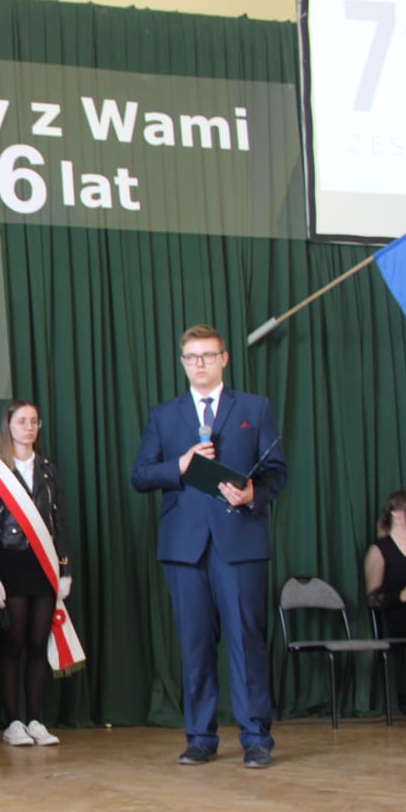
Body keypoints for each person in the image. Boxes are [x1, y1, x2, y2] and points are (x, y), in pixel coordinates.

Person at [131, 324, 287, 769]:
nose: (199, 364)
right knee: (195, 644)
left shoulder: (255, 408)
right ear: (183, 363)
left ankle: (256, 738)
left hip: (240, 541)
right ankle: (200, 737)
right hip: (184, 548)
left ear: (224, 359)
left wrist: (252, 493)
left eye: (208, 355)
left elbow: (277, 471)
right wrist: (180, 464)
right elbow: (140, 475)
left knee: (246, 641)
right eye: (191, 357)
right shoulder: (164, 415)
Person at [0, 400, 71, 747]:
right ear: (9, 426)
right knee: (13, 642)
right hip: (10, 563)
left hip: (43, 564)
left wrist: (65, 568)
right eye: (22, 421)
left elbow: (60, 523)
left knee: (37, 642)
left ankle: (35, 719)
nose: (29, 427)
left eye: (34, 421)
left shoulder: (48, 470)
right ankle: (12, 721)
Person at [364, 490, 406, 639]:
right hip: (405, 616)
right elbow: (372, 600)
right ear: (396, 512)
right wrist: (402, 596)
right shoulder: (380, 550)